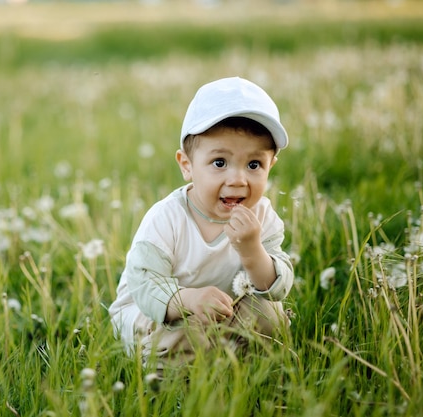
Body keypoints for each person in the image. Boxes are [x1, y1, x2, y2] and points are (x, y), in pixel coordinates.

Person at [109, 76, 294, 369]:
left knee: (269, 313)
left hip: (221, 311)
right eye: (220, 162)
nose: (238, 179)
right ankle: (172, 389)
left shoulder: (262, 215)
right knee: (184, 332)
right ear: (187, 166)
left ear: (271, 165)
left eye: (254, 164)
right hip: (159, 313)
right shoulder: (166, 218)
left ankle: (248, 370)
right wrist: (188, 300)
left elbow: (276, 288)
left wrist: (252, 251)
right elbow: (145, 285)